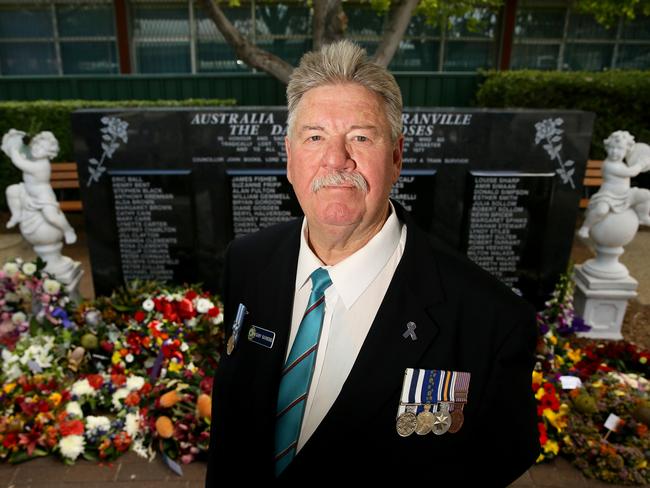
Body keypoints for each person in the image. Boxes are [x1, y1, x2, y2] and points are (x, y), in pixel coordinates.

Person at [206, 40, 538, 485]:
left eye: (361, 137)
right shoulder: (247, 262)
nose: (336, 159)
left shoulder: (490, 319)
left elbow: (498, 460)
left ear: (397, 156)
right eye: (315, 137)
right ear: (289, 156)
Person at [2, 129, 77, 244]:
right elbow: (25, 151)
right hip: (27, 190)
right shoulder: (34, 160)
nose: (37, 148)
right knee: (11, 190)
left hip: (43, 196)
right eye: (36, 145)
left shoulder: (41, 166)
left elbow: (19, 162)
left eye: (42, 148)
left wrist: (13, 148)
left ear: (49, 153)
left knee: (51, 216)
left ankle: (68, 229)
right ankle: (16, 214)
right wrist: (15, 138)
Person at [578, 130, 650, 239]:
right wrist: (641, 163)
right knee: (601, 211)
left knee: (646, 195)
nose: (614, 152)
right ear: (607, 148)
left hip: (625, 195)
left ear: (627, 150)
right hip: (608, 196)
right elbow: (631, 172)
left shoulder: (621, 163)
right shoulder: (609, 165)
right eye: (611, 148)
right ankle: (586, 226)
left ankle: (643, 216)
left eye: (619, 149)